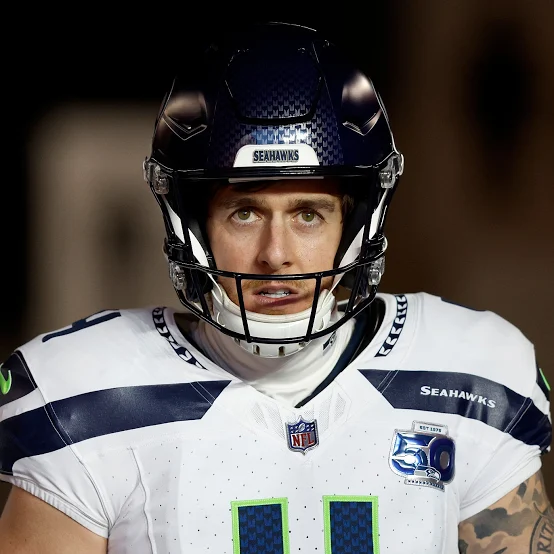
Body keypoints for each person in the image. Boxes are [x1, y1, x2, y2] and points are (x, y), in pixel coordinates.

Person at [0, 21, 552, 554]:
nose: (276, 253)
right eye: (244, 213)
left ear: (354, 226)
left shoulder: (470, 380)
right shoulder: (86, 401)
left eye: (308, 214)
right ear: (193, 226)